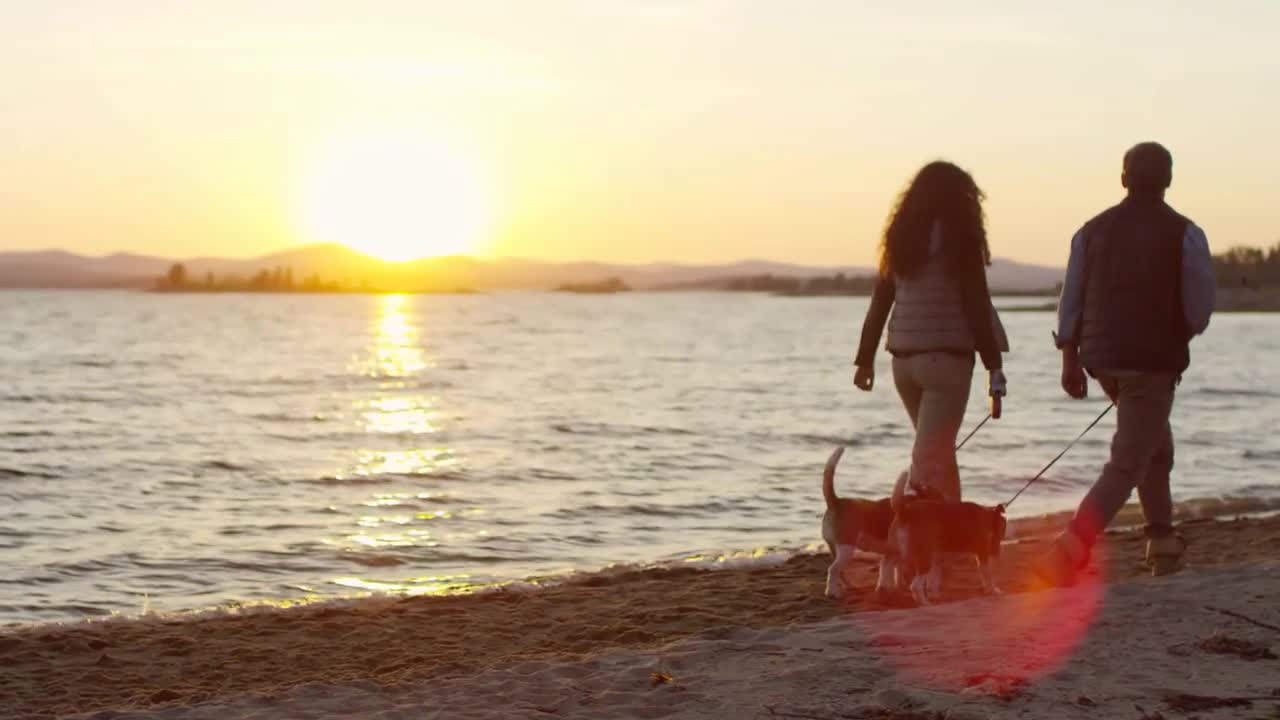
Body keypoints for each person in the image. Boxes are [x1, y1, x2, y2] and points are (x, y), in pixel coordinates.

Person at [1037, 142, 1215, 585]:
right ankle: (1072, 546)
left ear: (1123, 179)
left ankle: (1162, 541)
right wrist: (1180, 334)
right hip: (1151, 364)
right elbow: (1199, 308)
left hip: (1103, 363)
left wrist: (1069, 360)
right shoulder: (1186, 233)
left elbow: (1071, 300)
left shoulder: (1090, 232)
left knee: (1154, 446)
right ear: (1168, 180)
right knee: (1129, 460)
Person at [853, 160, 1009, 505]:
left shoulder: (901, 237)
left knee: (938, 454)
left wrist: (865, 361)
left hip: (903, 362)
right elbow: (976, 305)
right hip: (946, 363)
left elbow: (880, 301)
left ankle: (950, 539)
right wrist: (994, 367)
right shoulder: (960, 237)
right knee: (930, 461)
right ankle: (909, 540)